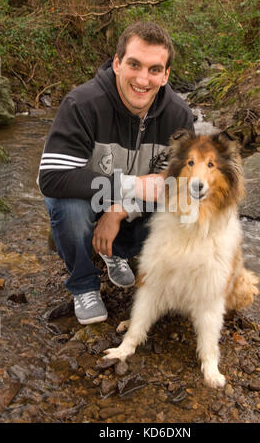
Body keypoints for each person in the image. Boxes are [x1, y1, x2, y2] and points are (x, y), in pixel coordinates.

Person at [38, 21, 194, 325]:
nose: (142, 79)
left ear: (165, 76)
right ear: (117, 63)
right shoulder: (82, 104)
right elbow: (52, 177)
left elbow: (172, 182)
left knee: (184, 203)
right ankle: (83, 284)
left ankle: (116, 251)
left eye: (153, 69)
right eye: (134, 64)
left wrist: (119, 210)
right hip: (86, 196)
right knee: (66, 206)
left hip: (128, 205)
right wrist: (130, 185)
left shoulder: (179, 116)